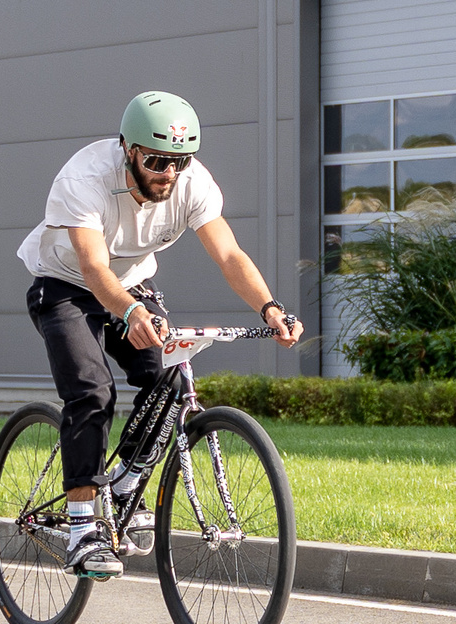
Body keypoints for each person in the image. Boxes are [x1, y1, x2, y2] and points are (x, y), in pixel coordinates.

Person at [16, 89, 298, 580]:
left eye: (179, 162)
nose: (168, 174)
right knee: (92, 392)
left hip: (130, 283)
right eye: (156, 161)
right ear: (129, 149)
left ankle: (125, 480)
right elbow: (92, 265)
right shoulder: (85, 177)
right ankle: (83, 530)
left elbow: (229, 256)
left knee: (163, 375)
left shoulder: (192, 184)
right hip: (65, 285)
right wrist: (128, 312)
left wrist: (270, 307)